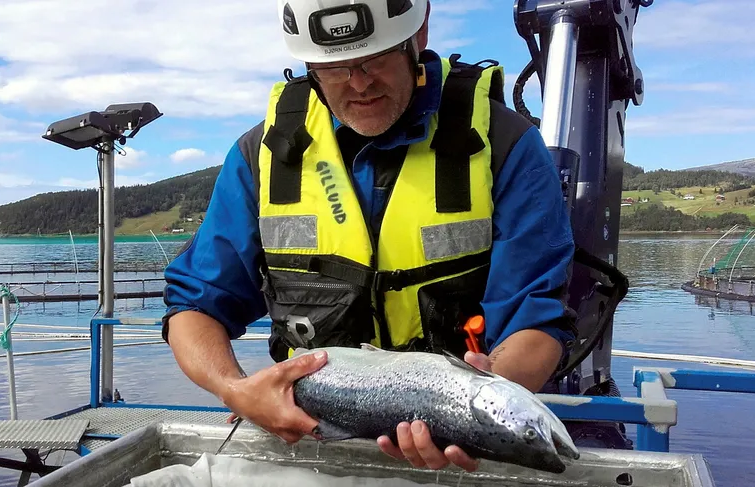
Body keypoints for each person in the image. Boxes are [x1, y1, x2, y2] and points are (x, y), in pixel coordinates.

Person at [160, 0, 577, 473]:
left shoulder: (506, 145)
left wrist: (475, 409)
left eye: (375, 59)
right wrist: (234, 389)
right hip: (306, 439)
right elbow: (194, 306)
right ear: (309, 66)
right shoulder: (263, 155)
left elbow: (536, 318)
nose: (358, 82)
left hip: (453, 455)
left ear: (418, 37)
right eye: (334, 68)